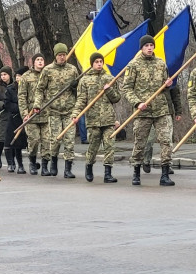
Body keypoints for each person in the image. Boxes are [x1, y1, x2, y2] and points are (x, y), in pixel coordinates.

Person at [121, 34, 181, 187]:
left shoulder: (161, 64)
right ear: (141, 48)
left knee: (166, 141)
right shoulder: (133, 65)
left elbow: (167, 86)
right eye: (146, 46)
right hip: (143, 111)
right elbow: (126, 88)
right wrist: (137, 102)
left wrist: (168, 84)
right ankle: (136, 172)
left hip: (161, 109)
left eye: (151, 45)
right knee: (140, 143)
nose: (149, 48)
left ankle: (165, 174)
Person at [71, 52, 121, 183]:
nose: (99, 64)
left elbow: (116, 98)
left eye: (101, 62)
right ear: (92, 63)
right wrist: (75, 114)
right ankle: (89, 166)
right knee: (93, 146)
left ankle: (108, 173)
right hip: (93, 120)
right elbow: (81, 100)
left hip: (108, 118)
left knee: (109, 146)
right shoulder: (85, 80)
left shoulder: (109, 78)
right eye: (96, 62)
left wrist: (108, 90)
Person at [34, 43, 79, 178]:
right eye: (60, 55)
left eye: (64, 55)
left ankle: (68, 168)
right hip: (53, 111)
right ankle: (53, 162)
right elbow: (40, 89)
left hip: (69, 110)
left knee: (70, 140)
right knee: (55, 140)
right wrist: (37, 104)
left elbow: (80, 91)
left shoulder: (72, 70)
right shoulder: (47, 70)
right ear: (55, 56)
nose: (62, 57)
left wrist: (75, 87)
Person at [17, 54, 47, 175]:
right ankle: (33, 161)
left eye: (42, 59)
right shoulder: (26, 77)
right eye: (38, 60)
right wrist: (24, 113)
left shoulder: (48, 75)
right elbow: (22, 96)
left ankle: (45, 166)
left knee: (46, 141)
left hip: (46, 112)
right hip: (31, 114)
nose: (40, 62)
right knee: (34, 140)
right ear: (34, 62)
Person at [0, 68, 24, 173]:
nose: (18, 78)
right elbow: (7, 103)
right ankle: (11, 163)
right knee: (9, 141)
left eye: (20, 76)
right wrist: (19, 108)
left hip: (24, 117)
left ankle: (21, 165)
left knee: (20, 143)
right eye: (17, 76)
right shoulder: (10, 89)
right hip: (12, 117)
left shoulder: (26, 88)